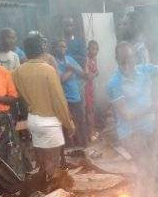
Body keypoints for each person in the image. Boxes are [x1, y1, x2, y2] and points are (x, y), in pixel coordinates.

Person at [12, 33, 75, 187]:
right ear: (42, 50)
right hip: (50, 121)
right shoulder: (48, 70)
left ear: (26, 51)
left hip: (33, 120)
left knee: (43, 162)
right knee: (53, 164)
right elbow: (59, 101)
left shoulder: (17, 72)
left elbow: (20, 95)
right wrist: (69, 122)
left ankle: (43, 193)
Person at [107, 41, 158, 197]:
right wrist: (152, 108)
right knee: (144, 166)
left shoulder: (144, 70)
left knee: (151, 166)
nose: (128, 64)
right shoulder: (114, 83)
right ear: (117, 60)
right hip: (130, 132)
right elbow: (126, 115)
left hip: (150, 128)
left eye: (129, 59)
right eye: (123, 61)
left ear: (134, 58)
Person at [52, 39, 86, 148]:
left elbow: (83, 74)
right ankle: (71, 150)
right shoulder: (54, 62)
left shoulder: (70, 59)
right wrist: (71, 71)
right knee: (68, 125)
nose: (63, 49)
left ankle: (82, 147)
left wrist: (73, 69)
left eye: (64, 46)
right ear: (54, 48)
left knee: (80, 123)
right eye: (60, 46)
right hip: (64, 100)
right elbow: (60, 80)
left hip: (76, 97)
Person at [84, 39, 99, 141]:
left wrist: (94, 74)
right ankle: (90, 134)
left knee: (92, 110)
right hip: (86, 87)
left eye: (96, 49)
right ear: (88, 49)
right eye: (92, 49)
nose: (95, 51)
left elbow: (94, 73)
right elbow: (87, 76)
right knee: (89, 111)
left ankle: (93, 131)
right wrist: (95, 74)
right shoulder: (86, 60)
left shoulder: (94, 59)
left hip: (91, 87)